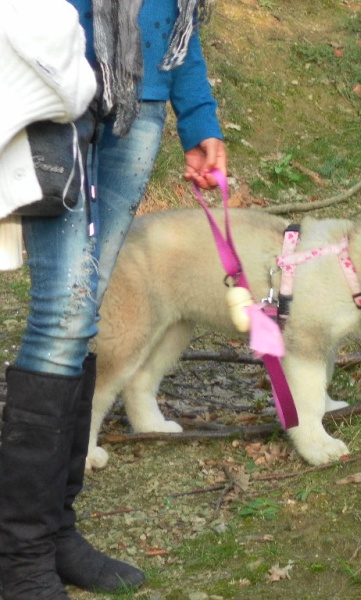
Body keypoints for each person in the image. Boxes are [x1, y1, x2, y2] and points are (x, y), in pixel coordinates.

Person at [0, 0, 227, 597]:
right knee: (62, 312)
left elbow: (178, 18)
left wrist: (199, 119)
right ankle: (19, 553)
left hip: (143, 102)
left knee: (86, 311)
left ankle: (55, 533)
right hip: (55, 91)